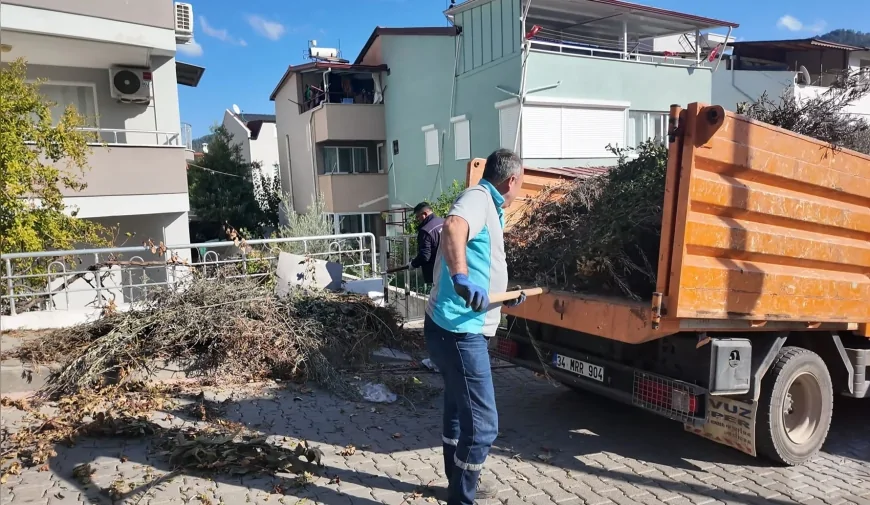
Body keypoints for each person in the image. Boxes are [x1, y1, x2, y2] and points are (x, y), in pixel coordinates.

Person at [425, 149, 526, 505]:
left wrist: (502, 297)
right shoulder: (479, 198)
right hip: (459, 330)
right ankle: (462, 499)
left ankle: (457, 484)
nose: (518, 194)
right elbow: (453, 227)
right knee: (483, 427)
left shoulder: (489, 205)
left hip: (453, 327)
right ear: (511, 180)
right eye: (520, 186)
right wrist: (462, 277)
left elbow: (481, 257)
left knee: (457, 409)